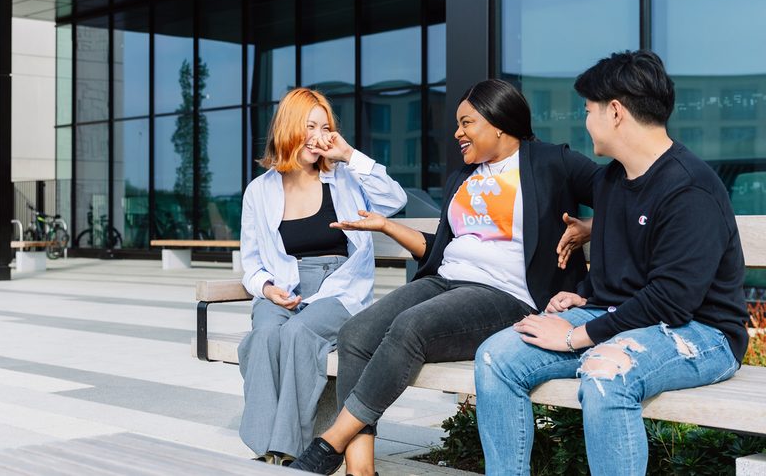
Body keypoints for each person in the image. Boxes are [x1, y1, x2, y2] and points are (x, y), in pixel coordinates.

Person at [290, 79, 599, 476]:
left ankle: (331, 441)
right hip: (446, 282)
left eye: (466, 123)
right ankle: (360, 469)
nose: (457, 133)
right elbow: (441, 249)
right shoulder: (462, 176)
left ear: (498, 123)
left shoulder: (551, 162)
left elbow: (626, 195)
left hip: (507, 295)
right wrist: (386, 226)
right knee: (356, 333)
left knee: (410, 327)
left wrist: (589, 227)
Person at [474, 51, 750, 476]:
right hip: (622, 318)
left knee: (606, 373)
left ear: (616, 112)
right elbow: (623, 273)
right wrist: (580, 296)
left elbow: (671, 301)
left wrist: (575, 337)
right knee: (497, 357)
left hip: (702, 332)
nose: (585, 122)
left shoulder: (690, 188)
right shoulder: (611, 180)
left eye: (588, 111)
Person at [237, 87, 407, 465]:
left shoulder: (345, 178)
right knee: (264, 335)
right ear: (289, 128)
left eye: (325, 127)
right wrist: (266, 288)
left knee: (298, 334)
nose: (319, 136)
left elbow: (395, 200)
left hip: (336, 289)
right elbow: (251, 261)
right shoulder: (259, 191)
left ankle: (286, 451)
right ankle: (265, 449)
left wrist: (347, 154)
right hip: (282, 288)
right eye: (310, 126)